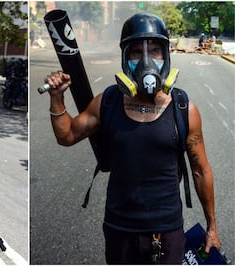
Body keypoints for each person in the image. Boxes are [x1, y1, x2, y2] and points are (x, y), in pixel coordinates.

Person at [44, 13, 221, 264]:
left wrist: (212, 227)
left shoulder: (183, 107)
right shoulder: (108, 101)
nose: (147, 61)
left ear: (166, 56)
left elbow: (201, 170)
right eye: (137, 52)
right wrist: (57, 98)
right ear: (126, 57)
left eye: (155, 51)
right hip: (119, 229)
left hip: (167, 231)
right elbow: (67, 135)